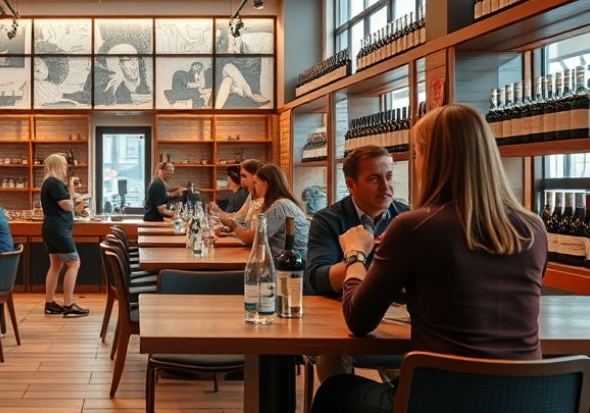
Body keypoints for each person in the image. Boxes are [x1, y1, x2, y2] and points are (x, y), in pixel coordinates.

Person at [311, 105, 548, 413]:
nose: (417, 163)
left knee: (336, 390)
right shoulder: (534, 227)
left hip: (443, 398)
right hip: (527, 400)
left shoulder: (413, 226)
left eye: (418, 154)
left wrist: (356, 252)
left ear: (434, 159)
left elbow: (358, 319)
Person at [305, 145, 410, 380]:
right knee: (331, 350)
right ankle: (339, 399)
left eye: (389, 176)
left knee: (413, 356)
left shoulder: (406, 218)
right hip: (339, 320)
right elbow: (319, 279)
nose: (386, 186)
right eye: (374, 179)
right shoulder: (328, 220)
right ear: (351, 184)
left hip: (395, 317)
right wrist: (361, 255)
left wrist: (360, 262)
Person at [40, 153, 90, 317]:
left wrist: (70, 185)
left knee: (55, 265)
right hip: (58, 229)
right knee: (74, 263)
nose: (66, 166)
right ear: (56, 165)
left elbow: (66, 199)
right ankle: (69, 303)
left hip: (51, 228)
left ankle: (50, 302)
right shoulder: (54, 182)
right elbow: (66, 205)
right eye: (63, 164)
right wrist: (74, 199)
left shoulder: (51, 182)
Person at [222, 163, 309, 257]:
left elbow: (252, 239)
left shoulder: (280, 207)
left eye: (255, 182)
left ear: (266, 183)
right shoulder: (283, 203)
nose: (253, 186)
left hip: (288, 266)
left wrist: (231, 224)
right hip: (289, 261)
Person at [210, 159, 263, 235]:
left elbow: (249, 234)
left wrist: (218, 214)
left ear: (255, 177)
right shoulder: (251, 196)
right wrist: (218, 213)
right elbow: (238, 218)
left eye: (244, 176)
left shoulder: (262, 200)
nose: (241, 180)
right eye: (241, 176)